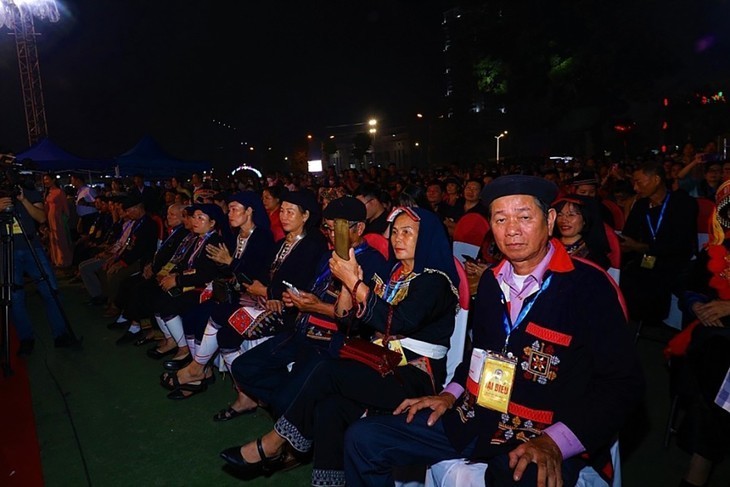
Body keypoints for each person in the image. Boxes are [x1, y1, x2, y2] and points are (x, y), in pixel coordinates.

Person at [342, 175, 644, 487]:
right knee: (364, 438)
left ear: (549, 220)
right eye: (501, 219)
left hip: (542, 434)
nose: (512, 229)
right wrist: (449, 394)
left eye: (524, 217)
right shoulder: (489, 282)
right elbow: (478, 354)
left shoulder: (587, 286)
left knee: (510, 474)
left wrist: (556, 441)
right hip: (477, 419)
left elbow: (623, 384)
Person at [219, 206, 460, 487]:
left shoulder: (435, 280)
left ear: (427, 237)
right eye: (394, 231)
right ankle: (327, 483)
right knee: (329, 408)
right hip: (381, 363)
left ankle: (274, 442)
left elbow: (398, 321)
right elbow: (351, 323)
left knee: (326, 369)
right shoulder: (395, 273)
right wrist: (348, 285)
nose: (398, 238)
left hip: (415, 375)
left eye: (408, 232)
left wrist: (354, 281)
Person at [218, 196, 387, 419]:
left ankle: (295, 407)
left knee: (286, 397)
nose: (334, 236)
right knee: (243, 368)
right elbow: (311, 292)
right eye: (329, 229)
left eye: (340, 229)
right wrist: (297, 300)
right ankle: (299, 405)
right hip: (301, 329)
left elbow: (363, 320)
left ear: (360, 228)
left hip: (333, 342)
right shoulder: (328, 255)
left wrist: (317, 307)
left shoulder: (374, 263)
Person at [672, 179, 730, 487]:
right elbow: (686, 284)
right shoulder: (715, 249)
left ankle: (698, 467)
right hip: (715, 331)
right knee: (711, 354)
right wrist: (696, 304)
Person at [620, 160, 698, 327]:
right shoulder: (641, 205)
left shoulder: (683, 203)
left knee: (655, 279)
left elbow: (681, 244)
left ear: (656, 179)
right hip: (646, 258)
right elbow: (629, 235)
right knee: (626, 277)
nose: (635, 188)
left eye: (639, 182)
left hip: (675, 260)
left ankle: (654, 324)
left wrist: (643, 247)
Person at [0, 180, 73, 355]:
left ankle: (60, 334)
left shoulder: (27, 189)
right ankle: (26, 338)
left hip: (32, 246)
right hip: (6, 248)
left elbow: (41, 218)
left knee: (51, 290)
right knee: (15, 297)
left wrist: (23, 200)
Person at [552, 195, 611, 269]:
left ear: (585, 220)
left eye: (571, 215)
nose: (564, 220)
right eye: (560, 215)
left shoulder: (595, 256)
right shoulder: (547, 246)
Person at [42, 173, 73, 270]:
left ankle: (63, 261)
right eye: (44, 180)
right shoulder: (47, 193)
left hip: (58, 219)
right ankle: (56, 260)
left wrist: (65, 219)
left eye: (47, 179)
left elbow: (65, 208)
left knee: (61, 239)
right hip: (50, 219)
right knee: (53, 240)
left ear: (53, 180)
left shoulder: (59, 192)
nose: (45, 181)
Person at [70, 173, 97, 237]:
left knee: (89, 236)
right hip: (83, 218)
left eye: (72, 180)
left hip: (90, 217)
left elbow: (98, 203)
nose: (72, 183)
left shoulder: (88, 190)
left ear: (78, 180)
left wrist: (86, 203)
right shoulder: (79, 191)